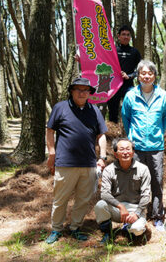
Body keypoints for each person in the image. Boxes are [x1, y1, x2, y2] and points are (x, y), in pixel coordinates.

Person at [45, 77, 108, 244]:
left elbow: (101, 135)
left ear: (89, 93)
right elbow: (50, 130)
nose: (82, 92)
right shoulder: (60, 107)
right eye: (78, 89)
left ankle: (75, 228)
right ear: (71, 91)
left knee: (83, 199)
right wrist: (52, 153)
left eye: (85, 90)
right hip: (65, 162)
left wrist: (102, 157)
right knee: (60, 199)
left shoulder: (94, 110)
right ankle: (56, 229)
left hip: (88, 163)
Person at [122, 60, 166, 231]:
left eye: (150, 73)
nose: (146, 76)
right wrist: (133, 137)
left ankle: (157, 216)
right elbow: (126, 118)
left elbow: (165, 118)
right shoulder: (130, 95)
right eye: (143, 73)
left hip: (156, 146)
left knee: (157, 182)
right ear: (138, 76)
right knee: (135, 182)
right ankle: (137, 214)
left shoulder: (163, 96)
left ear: (154, 76)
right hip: (137, 147)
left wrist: (157, 133)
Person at [95, 138, 151, 244]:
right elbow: (104, 194)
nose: (125, 152)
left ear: (133, 152)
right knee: (100, 205)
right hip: (117, 209)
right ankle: (107, 233)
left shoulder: (143, 169)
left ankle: (129, 230)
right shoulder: (109, 170)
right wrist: (120, 206)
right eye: (121, 149)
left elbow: (146, 195)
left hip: (136, 209)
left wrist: (137, 213)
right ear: (116, 154)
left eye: (128, 149)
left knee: (137, 230)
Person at [107, 25, 142, 123]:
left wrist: (129, 76)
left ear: (130, 37)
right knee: (112, 113)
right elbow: (100, 63)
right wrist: (82, 60)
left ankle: (130, 132)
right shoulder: (113, 51)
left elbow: (140, 70)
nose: (126, 37)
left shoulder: (135, 52)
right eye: (123, 34)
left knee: (131, 109)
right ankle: (113, 135)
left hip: (128, 86)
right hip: (113, 86)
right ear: (118, 36)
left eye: (128, 35)